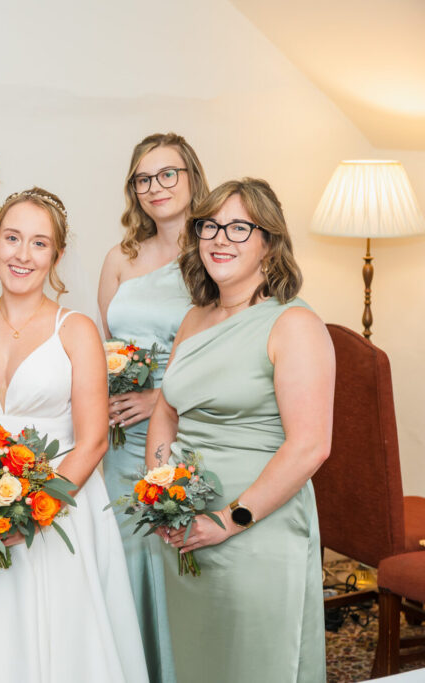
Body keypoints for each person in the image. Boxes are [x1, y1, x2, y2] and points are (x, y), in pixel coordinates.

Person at [0, 188, 149, 683]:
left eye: (39, 243)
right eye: (12, 238)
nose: (23, 254)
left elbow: (94, 440)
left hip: (56, 505)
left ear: (56, 255)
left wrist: (36, 511)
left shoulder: (76, 330)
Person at [147, 178, 333, 682]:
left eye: (238, 228)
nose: (220, 239)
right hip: (187, 524)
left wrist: (229, 520)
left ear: (269, 243)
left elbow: (311, 446)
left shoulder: (293, 324)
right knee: (197, 660)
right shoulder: (194, 319)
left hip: (257, 527)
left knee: (254, 664)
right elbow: (166, 410)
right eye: (210, 226)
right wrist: (160, 492)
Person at [96, 132, 209, 683]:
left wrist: (160, 398)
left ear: (192, 178)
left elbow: (221, 353)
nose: (155, 187)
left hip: (186, 430)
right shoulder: (120, 258)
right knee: (125, 559)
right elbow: (105, 346)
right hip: (121, 444)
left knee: (178, 556)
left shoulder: (213, 255)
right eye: (143, 178)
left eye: (168, 174)